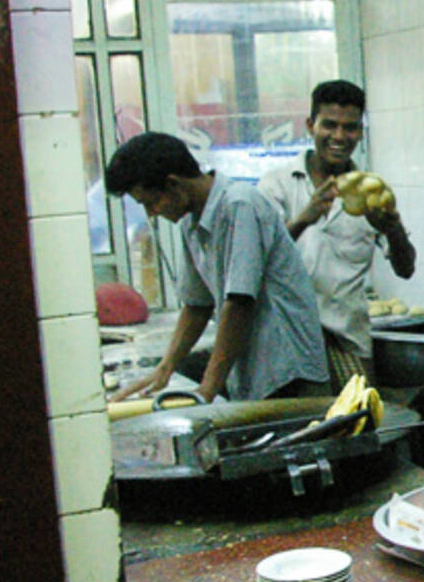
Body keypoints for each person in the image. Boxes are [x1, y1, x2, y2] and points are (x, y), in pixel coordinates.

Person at [103, 132, 329, 404]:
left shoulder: (239, 205)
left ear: (173, 184)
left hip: (290, 375)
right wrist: (164, 369)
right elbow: (197, 306)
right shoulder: (192, 225)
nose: (152, 213)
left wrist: (206, 392)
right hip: (253, 375)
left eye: (151, 203)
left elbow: (239, 303)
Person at [257, 80, 415, 391]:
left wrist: (392, 227)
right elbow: (258, 260)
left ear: (361, 132)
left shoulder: (369, 192)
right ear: (310, 125)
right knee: (298, 432)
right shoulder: (276, 186)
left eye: (351, 128)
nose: (340, 137)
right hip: (286, 346)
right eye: (329, 125)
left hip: (346, 344)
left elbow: (406, 268)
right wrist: (305, 217)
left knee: (355, 429)